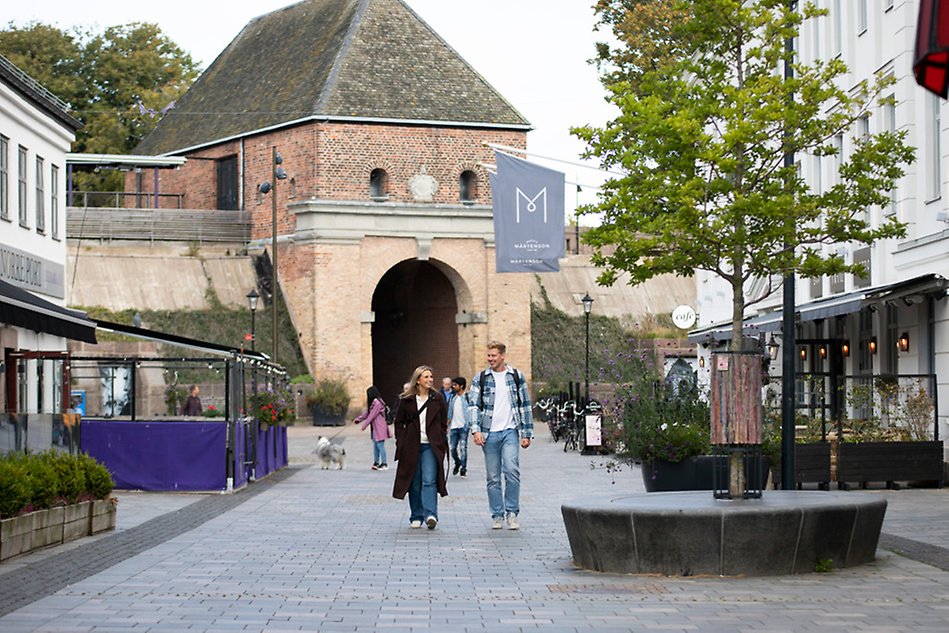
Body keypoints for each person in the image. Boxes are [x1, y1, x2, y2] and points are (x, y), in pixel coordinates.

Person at [469, 341, 533, 530]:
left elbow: (525, 405)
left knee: (512, 470)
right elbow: (473, 405)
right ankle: (497, 514)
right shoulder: (480, 378)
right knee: (493, 477)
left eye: (493, 356)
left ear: (503, 356)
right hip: (489, 434)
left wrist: (526, 433)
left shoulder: (515, 376)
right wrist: (476, 429)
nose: (490, 359)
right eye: (488, 356)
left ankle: (512, 513)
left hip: (510, 432)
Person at [392, 365, 449, 530]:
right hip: (411, 446)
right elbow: (399, 422)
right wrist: (401, 441)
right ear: (418, 380)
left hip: (430, 446)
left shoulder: (437, 398)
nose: (430, 379)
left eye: (431, 376)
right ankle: (416, 515)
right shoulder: (407, 400)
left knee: (429, 480)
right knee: (414, 482)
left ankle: (431, 514)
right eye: (426, 377)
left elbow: (443, 421)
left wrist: (440, 437)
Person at [353, 386, 392, 470]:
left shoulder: (377, 403)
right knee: (375, 446)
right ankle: (376, 462)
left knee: (380, 446)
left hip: (380, 427)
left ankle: (384, 463)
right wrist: (358, 419)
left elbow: (371, 415)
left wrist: (364, 426)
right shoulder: (375, 403)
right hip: (375, 428)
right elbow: (367, 413)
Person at [447, 376, 471, 478]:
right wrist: (447, 424)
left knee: (463, 448)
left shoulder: (467, 397)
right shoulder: (453, 397)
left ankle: (463, 468)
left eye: (455, 385)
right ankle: (457, 462)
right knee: (452, 449)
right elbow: (450, 412)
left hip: (464, 427)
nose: (453, 386)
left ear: (461, 386)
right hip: (454, 427)